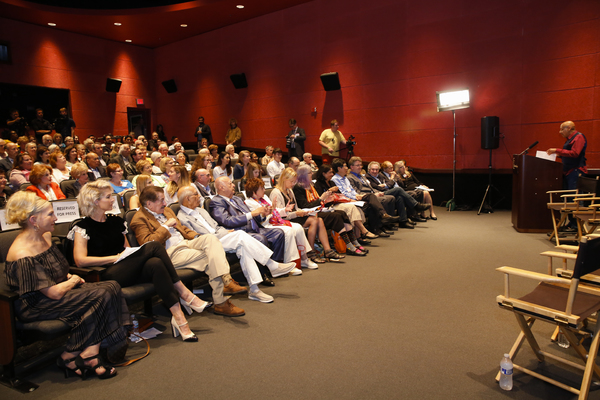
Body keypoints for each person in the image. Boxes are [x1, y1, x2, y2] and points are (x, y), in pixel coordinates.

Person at [6, 191, 128, 379]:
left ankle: (86, 351)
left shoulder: (45, 236)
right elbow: (53, 293)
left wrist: (69, 276)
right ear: (33, 220)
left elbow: (57, 271)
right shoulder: (22, 253)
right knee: (102, 295)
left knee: (111, 286)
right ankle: (77, 355)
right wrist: (72, 280)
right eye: (50, 214)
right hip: (38, 304)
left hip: (57, 289)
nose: (55, 218)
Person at [71, 181, 210, 342]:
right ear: (95, 201)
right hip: (105, 273)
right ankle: (184, 293)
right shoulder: (83, 226)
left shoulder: (115, 222)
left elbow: (129, 251)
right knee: (153, 246)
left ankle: (180, 319)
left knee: (155, 264)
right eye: (108, 197)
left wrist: (124, 256)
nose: (112, 200)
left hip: (126, 267)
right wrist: (115, 258)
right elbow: (80, 260)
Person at [129, 185, 247, 316]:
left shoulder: (167, 211)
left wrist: (197, 237)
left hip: (186, 243)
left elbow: (183, 229)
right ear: (149, 204)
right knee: (211, 258)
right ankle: (221, 300)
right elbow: (148, 244)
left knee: (211, 239)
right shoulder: (139, 219)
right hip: (170, 253)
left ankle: (226, 283)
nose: (165, 203)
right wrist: (165, 226)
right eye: (161, 200)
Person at [178, 186, 298, 302]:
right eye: (195, 194)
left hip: (221, 237)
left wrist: (225, 232)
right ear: (187, 199)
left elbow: (216, 227)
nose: (199, 196)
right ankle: (272, 265)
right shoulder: (182, 217)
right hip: (209, 245)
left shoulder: (201, 211)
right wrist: (224, 233)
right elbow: (199, 239)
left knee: (243, 247)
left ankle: (255, 290)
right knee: (240, 235)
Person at [210, 177, 290, 264]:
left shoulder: (237, 199)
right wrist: (252, 214)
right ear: (222, 187)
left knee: (278, 233)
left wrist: (263, 214)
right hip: (241, 232)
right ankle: (264, 270)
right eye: (230, 183)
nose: (233, 185)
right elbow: (227, 221)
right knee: (260, 239)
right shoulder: (216, 202)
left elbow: (253, 216)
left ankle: (277, 264)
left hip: (255, 229)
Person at [270, 168, 345, 262]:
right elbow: (278, 215)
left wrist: (305, 211)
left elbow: (296, 208)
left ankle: (327, 250)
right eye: (292, 181)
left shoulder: (289, 191)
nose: (293, 184)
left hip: (294, 216)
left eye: (294, 181)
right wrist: (297, 213)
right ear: (284, 179)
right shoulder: (276, 193)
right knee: (314, 220)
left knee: (319, 219)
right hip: (286, 220)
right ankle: (311, 251)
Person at [292, 166, 367, 256]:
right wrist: (321, 199)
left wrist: (326, 199)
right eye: (309, 173)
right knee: (335, 216)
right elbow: (305, 206)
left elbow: (318, 202)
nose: (312, 174)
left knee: (342, 213)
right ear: (303, 175)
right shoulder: (298, 188)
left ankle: (355, 242)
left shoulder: (310, 186)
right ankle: (349, 246)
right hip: (309, 214)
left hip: (318, 210)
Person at [244, 178, 317, 268]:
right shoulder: (248, 203)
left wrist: (284, 210)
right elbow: (259, 219)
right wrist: (269, 210)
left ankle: (304, 259)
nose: (264, 190)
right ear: (254, 191)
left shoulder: (264, 198)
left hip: (275, 221)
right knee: (288, 231)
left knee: (298, 227)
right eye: (261, 188)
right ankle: (289, 263)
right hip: (265, 225)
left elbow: (275, 211)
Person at [331, 158, 398, 237]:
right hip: (347, 201)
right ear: (339, 168)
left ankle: (378, 226)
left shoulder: (345, 178)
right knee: (372, 199)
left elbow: (352, 190)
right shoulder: (335, 179)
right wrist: (356, 197)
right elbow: (343, 193)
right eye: (345, 166)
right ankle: (381, 218)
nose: (346, 168)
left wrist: (356, 196)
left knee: (372, 202)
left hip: (355, 197)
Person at [314, 164, 378, 243]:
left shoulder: (331, 182)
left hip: (338, 202)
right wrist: (329, 191)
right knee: (351, 208)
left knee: (358, 209)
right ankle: (364, 230)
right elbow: (321, 199)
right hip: (329, 206)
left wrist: (349, 200)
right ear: (323, 173)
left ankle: (358, 236)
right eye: (330, 172)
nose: (332, 174)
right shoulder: (318, 184)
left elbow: (341, 195)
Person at [546, 121, 588, 191]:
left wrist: (557, 150)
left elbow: (575, 153)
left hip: (576, 170)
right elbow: (570, 154)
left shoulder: (579, 137)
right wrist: (560, 155)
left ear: (569, 128)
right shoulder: (569, 139)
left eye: (562, 129)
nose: (560, 132)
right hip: (569, 171)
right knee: (569, 197)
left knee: (574, 197)